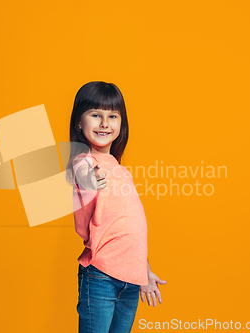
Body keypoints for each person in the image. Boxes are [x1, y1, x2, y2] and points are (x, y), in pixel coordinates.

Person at [65, 81, 168, 333]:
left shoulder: (120, 170)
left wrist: (144, 271)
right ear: (79, 122)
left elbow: (128, 229)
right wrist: (91, 180)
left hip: (131, 282)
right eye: (95, 115)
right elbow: (82, 174)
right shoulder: (84, 161)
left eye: (112, 116)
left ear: (121, 125)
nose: (104, 123)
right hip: (101, 277)